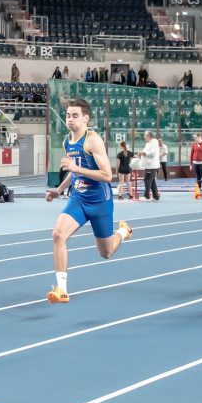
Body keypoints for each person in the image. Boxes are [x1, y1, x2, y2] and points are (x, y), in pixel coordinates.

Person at [45, 99, 132, 303]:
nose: (70, 119)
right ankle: (62, 290)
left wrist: (76, 169)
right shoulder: (68, 141)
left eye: (75, 116)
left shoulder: (92, 140)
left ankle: (122, 231)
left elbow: (107, 175)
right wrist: (59, 189)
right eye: (68, 115)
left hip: (100, 200)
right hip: (78, 198)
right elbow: (74, 174)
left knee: (106, 252)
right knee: (58, 235)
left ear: (86, 118)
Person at [137, 131, 160, 201]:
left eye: (145, 135)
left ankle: (146, 196)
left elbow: (153, 153)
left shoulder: (154, 143)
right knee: (152, 181)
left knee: (147, 180)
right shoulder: (148, 143)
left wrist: (143, 153)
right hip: (149, 165)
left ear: (149, 136)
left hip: (152, 165)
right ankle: (156, 196)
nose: (144, 137)